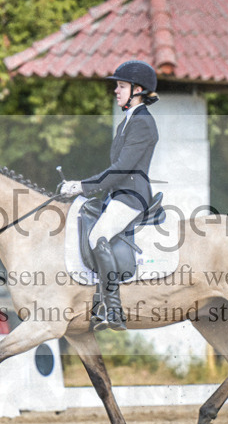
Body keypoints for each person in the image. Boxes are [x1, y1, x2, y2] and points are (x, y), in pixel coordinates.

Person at [59, 60, 160, 331]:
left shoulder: (142, 124)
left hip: (131, 196)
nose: (116, 91)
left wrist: (82, 185)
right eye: (117, 86)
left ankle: (111, 309)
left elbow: (122, 169)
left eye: (121, 86)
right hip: (117, 194)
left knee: (97, 236)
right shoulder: (127, 123)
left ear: (137, 90)